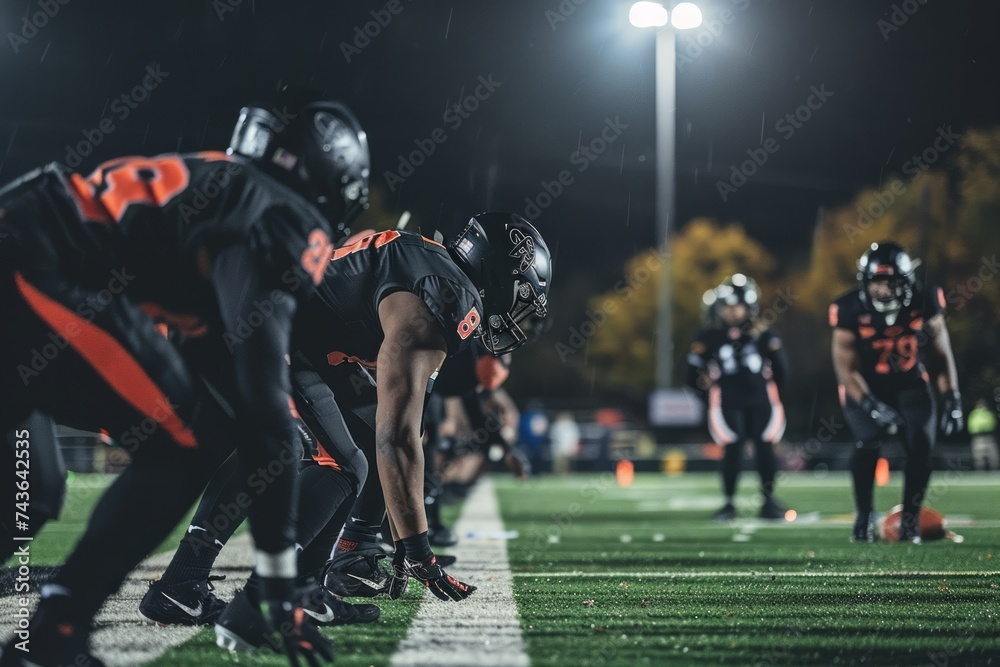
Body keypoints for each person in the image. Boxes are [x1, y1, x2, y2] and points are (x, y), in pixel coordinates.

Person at [0, 93, 372, 666]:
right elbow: (262, 406)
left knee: (31, 493)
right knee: (181, 443)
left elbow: (237, 404)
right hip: (29, 269)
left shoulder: (225, 188)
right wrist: (277, 579)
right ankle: (56, 635)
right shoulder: (275, 211)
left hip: (28, 258)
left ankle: (52, 635)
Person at [139, 212, 552, 644]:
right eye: (522, 293)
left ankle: (212, 584)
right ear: (499, 272)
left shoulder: (430, 265)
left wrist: (406, 533)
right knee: (339, 463)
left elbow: (397, 433)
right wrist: (417, 552)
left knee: (335, 448)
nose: (519, 311)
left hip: (276, 326)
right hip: (257, 323)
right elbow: (397, 439)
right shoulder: (448, 296)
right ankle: (271, 593)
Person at [830, 241, 963, 543]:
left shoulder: (926, 298)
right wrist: (872, 406)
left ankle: (910, 521)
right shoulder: (847, 308)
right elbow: (845, 369)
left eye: (891, 281)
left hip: (910, 382)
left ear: (906, 281)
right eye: (876, 282)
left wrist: (952, 397)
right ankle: (863, 516)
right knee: (868, 441)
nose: (883, 289)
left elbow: (942, 355)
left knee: (921, 443)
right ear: (864, 282)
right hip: (864, 386)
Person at [686, 273, 789, 521]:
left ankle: (768, 501)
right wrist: (706, 392)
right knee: (733, 448)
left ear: (748, 306)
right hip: (728, 400)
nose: (731, 312)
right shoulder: (708, 336)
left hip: (759, 398)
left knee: (765, 447)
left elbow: (783, 370)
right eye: (727, 307)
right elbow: (690, 375)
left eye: (736, 306)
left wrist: (775, 392)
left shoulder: (764, 334)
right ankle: (729, 503)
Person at [968, 399, 999, 471]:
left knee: (993, 457)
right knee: (978, 458)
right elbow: (972, 426)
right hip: (978, 438)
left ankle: (995, 474)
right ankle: (980, 474)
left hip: (989, 437)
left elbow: (993, 423)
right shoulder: (974, 414)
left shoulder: (988, 413)